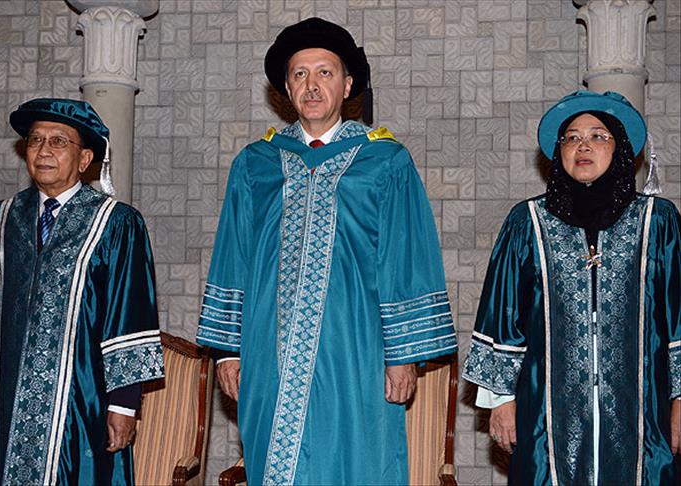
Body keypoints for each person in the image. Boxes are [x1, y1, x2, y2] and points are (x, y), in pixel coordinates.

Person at [196, 17, 457, 485]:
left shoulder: (385, 160)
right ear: (286, 88)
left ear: (347, 84)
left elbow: (406, 258)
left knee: (358, 459)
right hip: (267, 350)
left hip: (356, 348)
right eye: (300, 74)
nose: (312, 85)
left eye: (324, 72)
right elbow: (233, 256)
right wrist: (227, 351)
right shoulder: (255, 163)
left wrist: (402, 355)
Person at [463, 90, 680, 485]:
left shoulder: (658, 221)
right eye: (572, 138)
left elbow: (679, 315)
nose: (583, 146)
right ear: (558, 151)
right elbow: (503, 313)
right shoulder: (527, 222)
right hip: (546, 412)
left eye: (598, 136)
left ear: (620, 149)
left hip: (643, 412)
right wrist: (501, 401)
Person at [0, 98, 165, 485]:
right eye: (35, 140)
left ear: (85, 158)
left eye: (58, 141)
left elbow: (129, 313)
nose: (43, 150)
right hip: (5, 398)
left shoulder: (116, 223)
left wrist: (124, 405)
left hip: (82, 400)